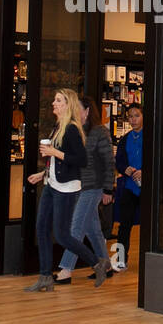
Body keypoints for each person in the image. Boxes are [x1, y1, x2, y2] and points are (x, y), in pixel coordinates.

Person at [25, 89, 107, 292]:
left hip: (67, 189)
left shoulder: (71, 129)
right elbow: (56, 161)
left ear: (67, 105)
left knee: (62, 236)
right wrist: (43, 174)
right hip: (52, 185)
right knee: (42, 228)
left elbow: (80, 160)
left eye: (58, 100)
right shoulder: (58, 127)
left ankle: (97, 263)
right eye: (54, 99)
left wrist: (54, 152)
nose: (54, 103)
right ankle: (45, 276)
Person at [53, 95, 114, 286]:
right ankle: (105, 265)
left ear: (87, 111)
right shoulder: (75, 131)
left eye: (77, 108)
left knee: (76, 228)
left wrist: (108, 189)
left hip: (93, 187)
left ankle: (66, 269)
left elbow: (108, 163)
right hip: (77, 185)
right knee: (92, 229)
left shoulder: (99, 132)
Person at [112, 103, 144, 271]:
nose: (133, 119)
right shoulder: (125, 139)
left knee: (148, 226)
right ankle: (121, 259)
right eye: (130, 116)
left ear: (143, 116)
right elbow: (119, 161)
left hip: (147, 188)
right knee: (125, 225)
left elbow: (158, 159)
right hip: (130, 186)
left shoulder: (152, 137)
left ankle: (149, 258)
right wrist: (126, 169)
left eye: (136, 115)